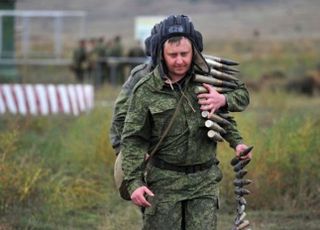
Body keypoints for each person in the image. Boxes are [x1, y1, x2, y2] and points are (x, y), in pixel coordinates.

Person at [118, 15, 252, 229]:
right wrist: (134, 183)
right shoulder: (146, 90)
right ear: (160, 53)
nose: (179, 61)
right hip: (163, 182)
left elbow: (239, 98)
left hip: (204, 181)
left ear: (194, 51)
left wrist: (224, 101)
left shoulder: (207, 77)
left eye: (184, 54)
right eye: (172, 55)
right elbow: (134, 139)